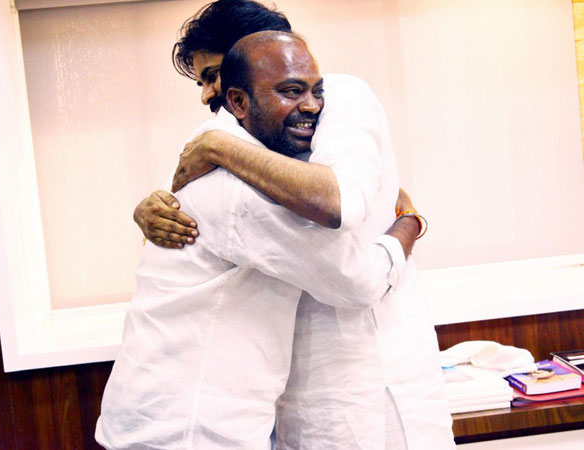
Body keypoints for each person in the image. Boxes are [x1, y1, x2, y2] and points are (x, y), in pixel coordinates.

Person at [133, 1, 455, 449]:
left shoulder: (341, 97)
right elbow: (205, 209)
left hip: (380, 365)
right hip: (297, 383)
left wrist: (410, 223)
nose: (207, 95)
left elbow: (340, 202)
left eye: (213, 76)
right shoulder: (235, 140)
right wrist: (150, 208)